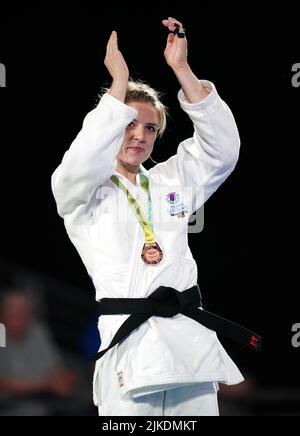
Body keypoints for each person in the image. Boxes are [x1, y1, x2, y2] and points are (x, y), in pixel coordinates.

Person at [51, 16, 251, 416]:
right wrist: (118, 86)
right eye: (128, 124)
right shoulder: (81, 193)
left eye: (149, 127)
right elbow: (79, 163)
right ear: (109, 126)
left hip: (189, 351)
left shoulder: (168, 181)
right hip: (130, 351)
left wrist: (182, 70)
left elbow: (223, 151)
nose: (139, 134)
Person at [0, 287, 78, 416]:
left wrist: (65, 378)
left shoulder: (37, 332)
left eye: (26, 315)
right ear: (3, 316)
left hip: (45, 407)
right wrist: (47, 384)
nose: (22, 321)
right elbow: (3, 383)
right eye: (16, 315)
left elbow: (55, 369)